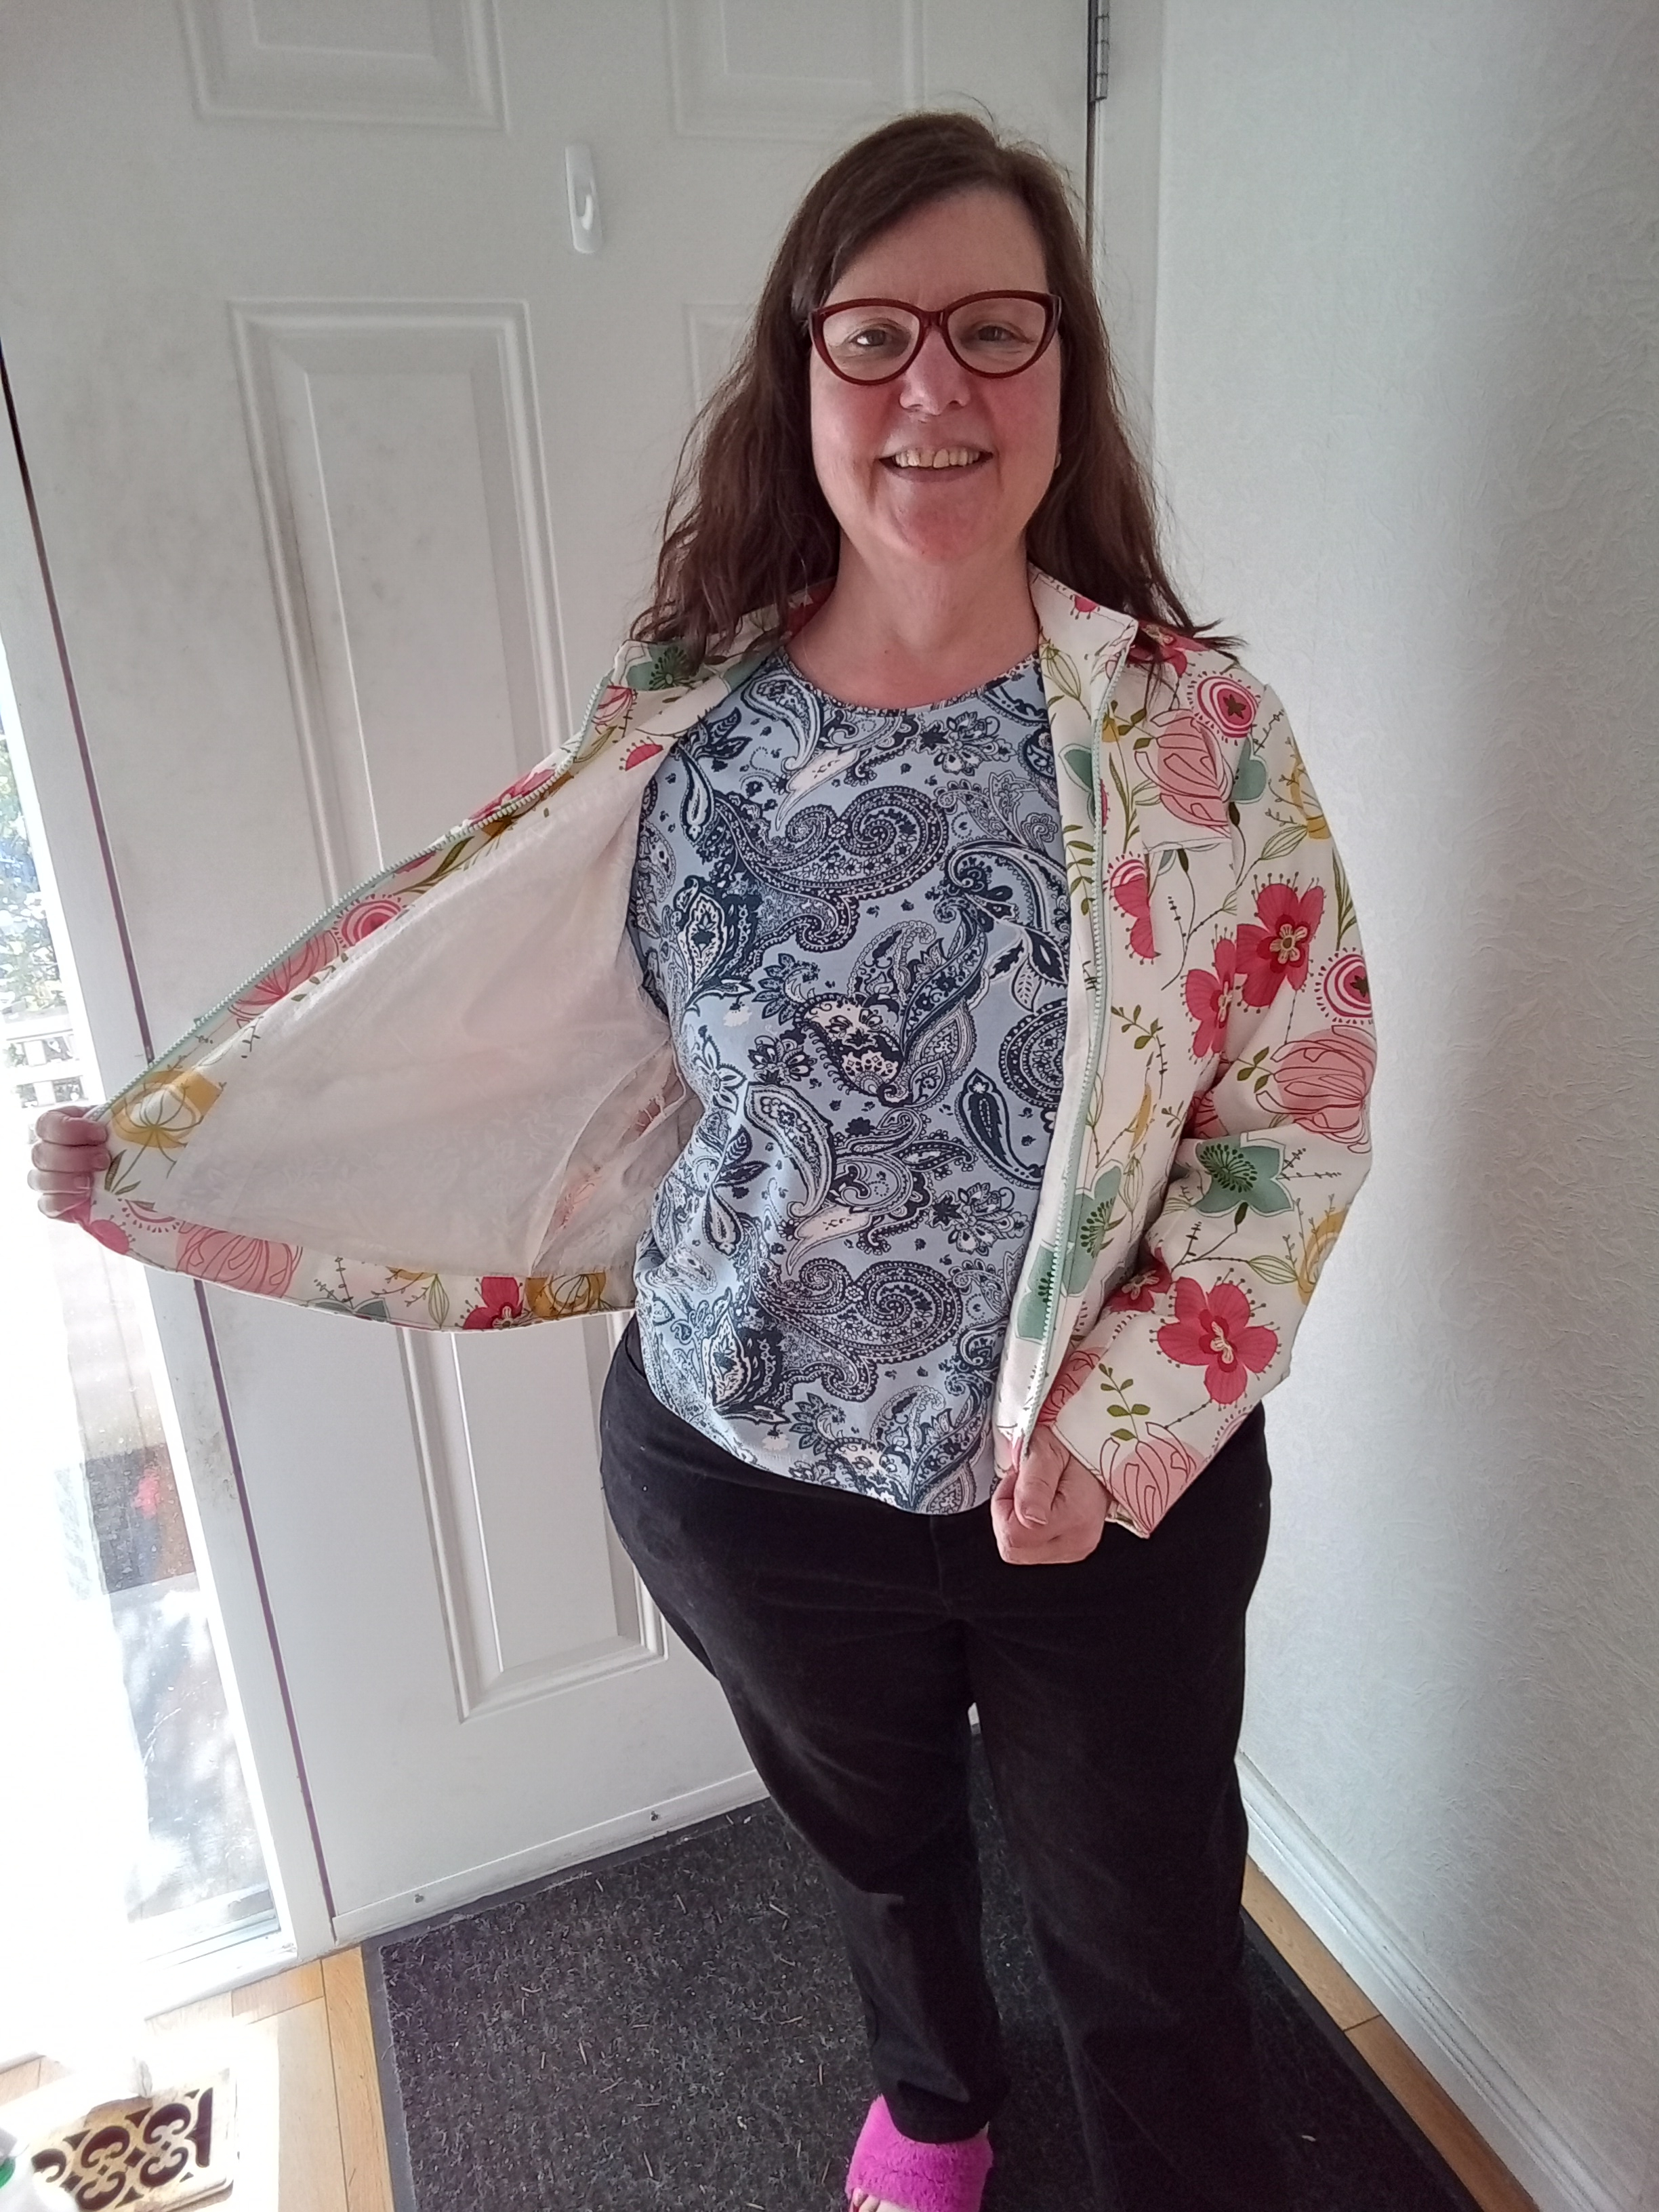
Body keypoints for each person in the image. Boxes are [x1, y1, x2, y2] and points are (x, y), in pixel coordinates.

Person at [31, 110, 1374, 2212]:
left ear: (1066, 369)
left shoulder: (1199, 738)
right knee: (881, 1845)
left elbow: (1295, 1110)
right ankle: (940, 2095)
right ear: (803, 373)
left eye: (997, 329)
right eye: (876, 334)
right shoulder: (683, 726)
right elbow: (479, 1022)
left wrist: (1121, 1424)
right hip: (746, 1471)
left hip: (1101, 1503)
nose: (936, 386)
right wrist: (190, 1141)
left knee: (1149, 1941)